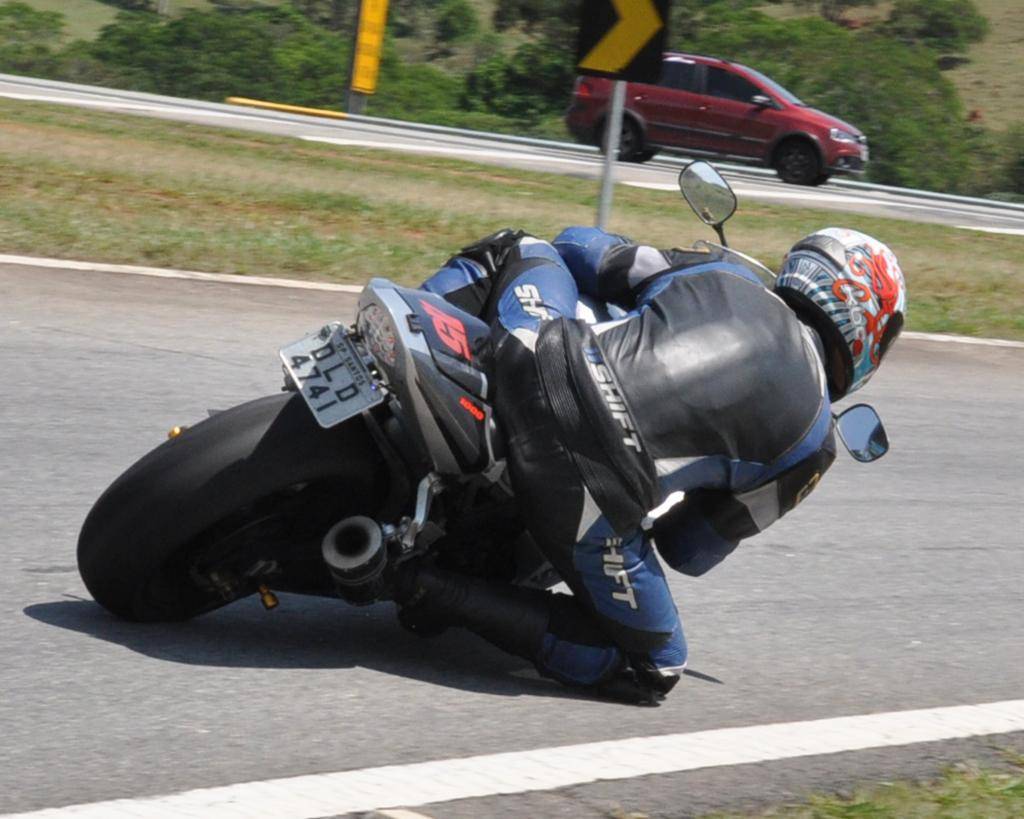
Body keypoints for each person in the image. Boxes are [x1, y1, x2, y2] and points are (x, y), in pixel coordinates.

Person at [393, 225, 907, 705]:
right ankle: (436, 590)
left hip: (535, 360)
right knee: (657, 667)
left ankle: (401, 350)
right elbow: (687, 549)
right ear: (870, 335)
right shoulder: (815, 444)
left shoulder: (723, 271)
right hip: (590, 495)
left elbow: (581, 248)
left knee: (520, 246)